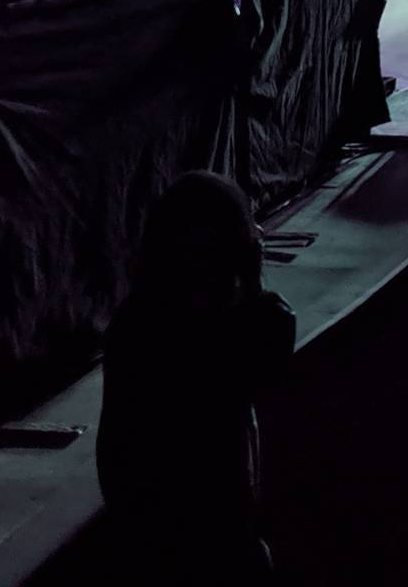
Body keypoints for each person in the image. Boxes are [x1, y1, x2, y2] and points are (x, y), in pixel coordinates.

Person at [98, 172, 296, 583]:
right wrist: (253, 275)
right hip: (220, 544)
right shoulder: (238, 332)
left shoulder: (134, 324)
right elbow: (276, 336)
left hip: (147, 546)